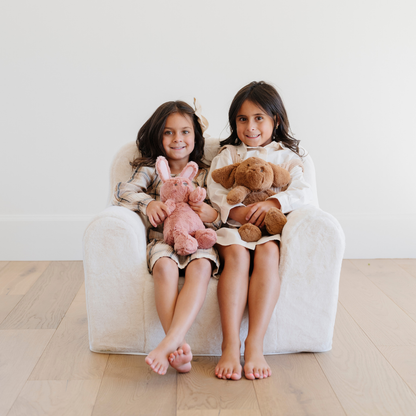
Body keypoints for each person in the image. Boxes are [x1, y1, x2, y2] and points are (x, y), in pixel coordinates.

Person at [207, 81, 313, 380]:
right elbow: (214, 189)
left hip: (269, 230)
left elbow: (304, 191)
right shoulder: (229, 155)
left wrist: (274, 202)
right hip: (235, 229)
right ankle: (230, 344)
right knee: (237, 258)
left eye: (259, 118)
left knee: (268, 253)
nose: (250, 126)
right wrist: (238, 212)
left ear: (275, 120)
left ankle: (254, 343)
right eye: (242, 119)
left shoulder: (288, 156)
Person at [113, 100, 221, 375]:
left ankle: (170, 343)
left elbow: (223, 211)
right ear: (158, 135)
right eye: (168, 132)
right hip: (164, 241)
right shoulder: (151, 169)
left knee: (201, 266)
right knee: (164, 266)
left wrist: (211, 214)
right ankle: (179, 347)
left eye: (185, 131)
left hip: (198, 239)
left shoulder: (206, 172)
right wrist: (147, 205)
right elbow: (124, 191)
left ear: (196, 135)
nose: (177, 139)